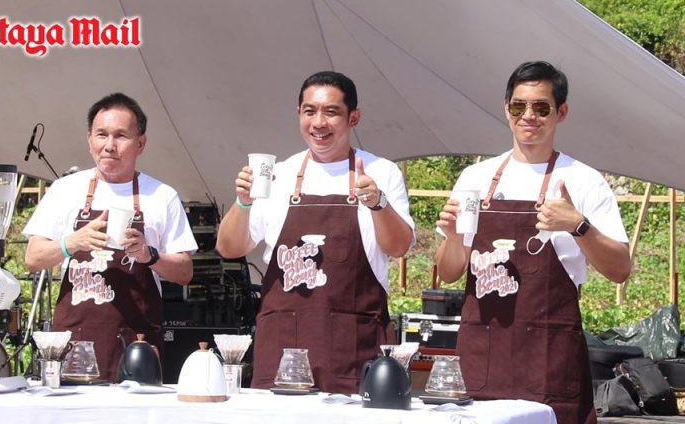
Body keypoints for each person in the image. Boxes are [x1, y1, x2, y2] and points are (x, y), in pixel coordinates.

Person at [434, 61, 631, 424]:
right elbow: (448, 273)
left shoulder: (583, 180)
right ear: (505, 108)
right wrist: (452, 238)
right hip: (482, 355)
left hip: (548, 359)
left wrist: (579, 226)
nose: (528, 116)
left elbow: (620, 269)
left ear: (561, 113)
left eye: (541, 108)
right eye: (518, 106)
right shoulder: (475, 178)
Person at [216, 71, 415, 394]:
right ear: (299, 114)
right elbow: (229, 247)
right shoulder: (278, 175)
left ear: (353, 118)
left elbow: (399, 246)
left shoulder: (381, 172)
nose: (319, 123)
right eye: (310, 111)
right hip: (282, 344)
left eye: (331, 112)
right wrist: (243, 201)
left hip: (354, 347)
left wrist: (378, 203)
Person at [24, 93, 197, 382]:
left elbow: (185, 272)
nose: (109, 145)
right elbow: (33, 258)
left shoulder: (162, 196)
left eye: (121, 136)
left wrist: (149, 255)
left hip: (138, 344)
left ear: (141, 143)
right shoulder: (65, 189)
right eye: (101, 134)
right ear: (89, 139)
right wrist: (72, 242)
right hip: (75, 342)